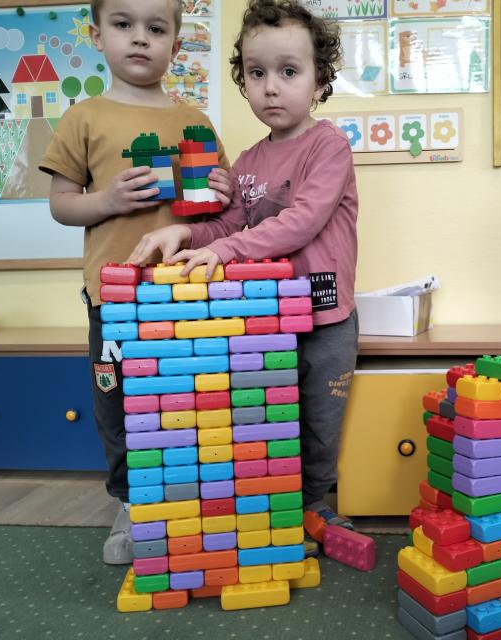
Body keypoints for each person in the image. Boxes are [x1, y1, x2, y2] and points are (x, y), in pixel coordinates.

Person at [128, 0, 359, 555]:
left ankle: (312, 503)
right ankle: (270, 506)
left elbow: (300, 222)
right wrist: (184, 234)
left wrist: (224, 245)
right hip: (264, 319)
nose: (271, 87)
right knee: (266, 419)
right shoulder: (248, 162)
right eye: (257, 73)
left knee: (319, 421)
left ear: (319, 81)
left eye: (289, 71)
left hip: (326, 317)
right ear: (243, 81)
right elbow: (228, 225)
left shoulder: (329, 145)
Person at [39, 0, 232, 565]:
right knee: (119, 406)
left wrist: (223, 192)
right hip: (115, 300)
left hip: (188, 296)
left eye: (156, 28)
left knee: (191, 401)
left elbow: (218, 208)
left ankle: (194, 498)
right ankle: (132, 504)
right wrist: (107, 200)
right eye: (123, 25)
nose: (140, 38)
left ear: (177, 44)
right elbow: (61, 205)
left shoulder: (196, 120)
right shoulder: (83, 118)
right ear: (98, 36)